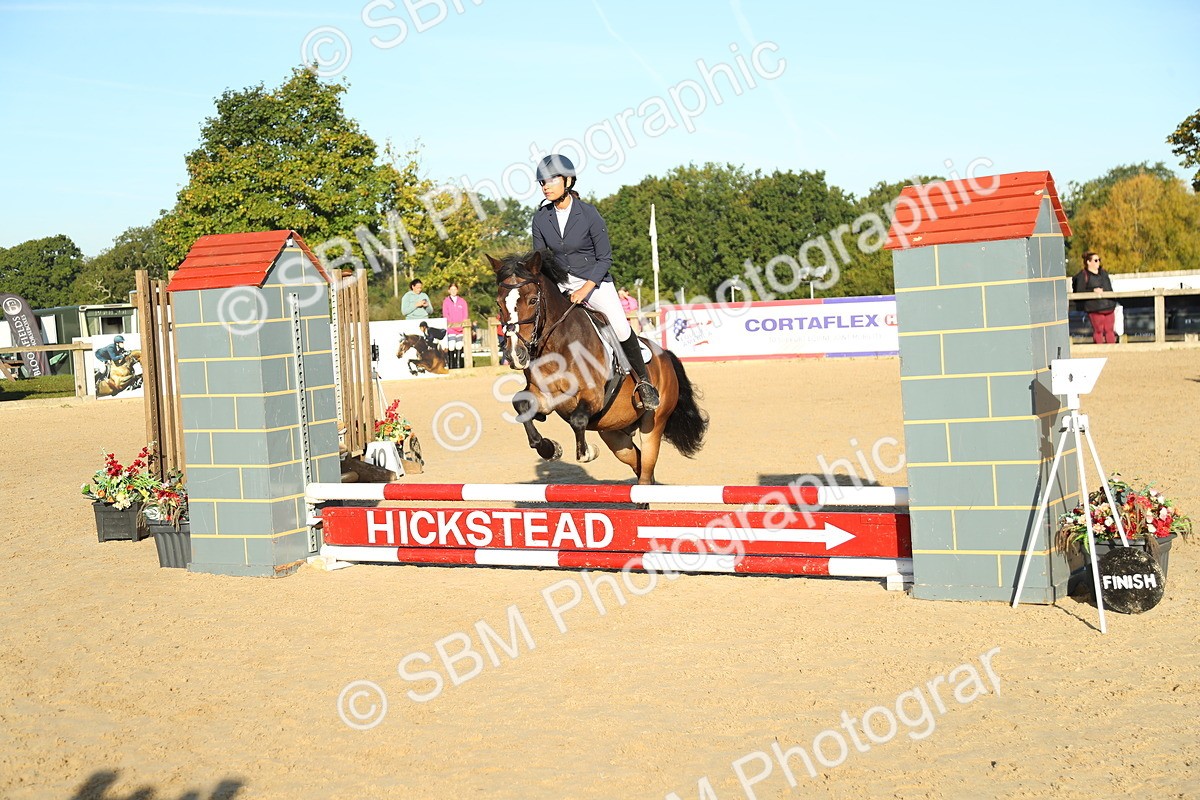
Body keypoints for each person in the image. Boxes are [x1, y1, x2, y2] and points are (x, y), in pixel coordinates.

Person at [531, 153, 659, 411]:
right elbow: (540, 261)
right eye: (542, 181)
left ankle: (644, 382)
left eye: (551, 180)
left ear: (567, 181)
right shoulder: (540, 218)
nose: (545, 185)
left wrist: (585, 289)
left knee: (621, 328)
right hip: (561, 285)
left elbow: (605, 258)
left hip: (594, 282)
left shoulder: (588, 214)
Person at [1072, 251, 1118, 343]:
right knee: (1099, 331)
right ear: (1088, 262)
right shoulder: (1083, 275)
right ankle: (1099, 350)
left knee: (1110, 330)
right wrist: (1092, 291)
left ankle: (1112, 350)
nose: (1098, 262)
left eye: (1099, 260)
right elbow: (1079, 292)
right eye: (1096, 260)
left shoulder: (1104, 273)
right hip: (1095, 308)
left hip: (1109, 306)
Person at [441, 282, 469, 369]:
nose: (453, 291)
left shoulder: (462, 301)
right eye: (451, 289)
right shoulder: (446, 301)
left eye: (455, 289)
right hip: (451, 329)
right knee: (451, 346)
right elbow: (445, 314)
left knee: (459, 346)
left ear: (457, 290)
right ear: (449, 290)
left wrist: (461, 325)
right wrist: (452, 325)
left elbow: (465, 315)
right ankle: (451, 366)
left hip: (460, 329)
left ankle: (458, 365)